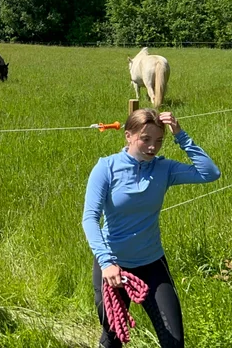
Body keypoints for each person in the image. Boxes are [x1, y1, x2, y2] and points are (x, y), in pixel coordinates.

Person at [81, 109, 221, 348]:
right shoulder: (106, 168)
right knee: (113, 338)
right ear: (128, 135)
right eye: (145, 139)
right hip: (113, 267)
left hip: (152, 264)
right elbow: (90, 218)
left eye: (158, 141)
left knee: (174, 342)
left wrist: (180, 135)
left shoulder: (164, 169)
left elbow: (210, 173)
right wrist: (106, 263)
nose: (152, 147)